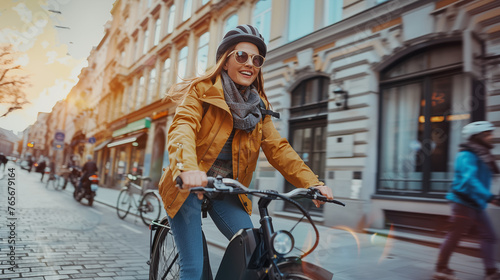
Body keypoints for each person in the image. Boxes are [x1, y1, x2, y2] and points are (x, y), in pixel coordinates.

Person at [158, 25, 334, 279]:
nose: (250, 63)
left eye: (257, 59)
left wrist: (313, 183)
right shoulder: (202, 91)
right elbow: (182, 128)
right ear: (225, 60)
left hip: (226, 190)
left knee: (256, 253)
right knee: (193, 269)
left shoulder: (258, 108)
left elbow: (278, 149)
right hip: (188, 185)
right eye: (241, 56)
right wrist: (188, 169)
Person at [433, 121, 500, 280]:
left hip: (475, 202)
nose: (491, 137)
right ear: (477, 136)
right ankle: (440, 269)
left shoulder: (482, 154)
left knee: (489, 236)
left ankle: (490, 272)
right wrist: (490, 197)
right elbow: (470, 180)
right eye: (487, 134)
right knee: (455, 235)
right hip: (462, 202)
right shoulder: (466, 155)